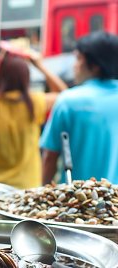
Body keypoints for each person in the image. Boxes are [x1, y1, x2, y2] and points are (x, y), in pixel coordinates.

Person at [0, 50, 67, 189]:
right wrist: (40, 66)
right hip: (28, 185)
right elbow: (65, 95)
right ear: (26, 78)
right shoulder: (35, 103)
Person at [41, 32, 118, 184]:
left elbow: (50, 158)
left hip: (75, 202)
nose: (74, 66)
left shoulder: (68, 101)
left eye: (78, 59)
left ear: (95, 65)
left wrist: (42, 197)